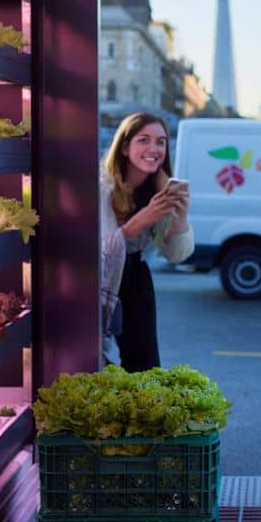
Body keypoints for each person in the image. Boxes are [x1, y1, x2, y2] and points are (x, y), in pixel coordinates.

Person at [99, 112, 195, 372]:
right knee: (92, 358)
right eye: (144, 140)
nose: (154, 149)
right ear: (124, 147)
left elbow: (177, 255)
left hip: (136, 276)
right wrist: (141, 220)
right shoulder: (102, 186)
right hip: (99, 279)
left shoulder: (162, 189)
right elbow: (98, 248)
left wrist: (181, 215)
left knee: (145, 366)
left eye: (161, 142)